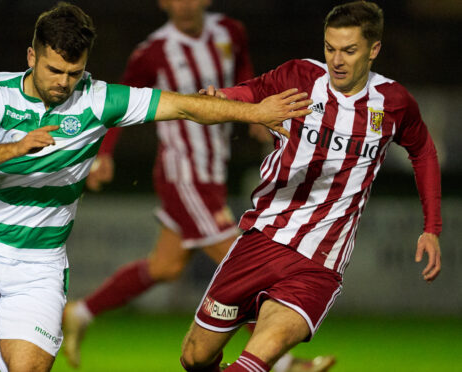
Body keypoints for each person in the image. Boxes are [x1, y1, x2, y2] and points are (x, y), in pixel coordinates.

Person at [0, 2, 313, 372]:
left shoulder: (99, 99)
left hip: (39, 263)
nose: (63, 83)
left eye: (73, 72)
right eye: (54, 70)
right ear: (31, 57)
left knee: (28, 368)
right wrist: (15, 147)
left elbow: (185, 105)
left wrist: (253, 112)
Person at [63, 1, 334, 371]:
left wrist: (255, 111)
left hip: (212, 171)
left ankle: (81, 312)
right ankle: (285, 363)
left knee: (166, 265)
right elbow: (118, 99)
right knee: (241, 261)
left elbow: (243, 70)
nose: (184, 5)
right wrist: (104, 153)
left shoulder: (230, 33)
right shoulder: (154, 50)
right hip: (182, 173)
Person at [179, 2, 442, 371]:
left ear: (373, 50)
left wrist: (432, 227)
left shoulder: (394, 103)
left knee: (255, 358)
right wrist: (220, 97)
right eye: (330, 48)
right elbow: (250, 92)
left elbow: (424, 151)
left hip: (318, 262)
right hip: (260, 240)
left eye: (349, 50)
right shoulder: (299, 77)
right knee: (195, 357)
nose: (337, 60)